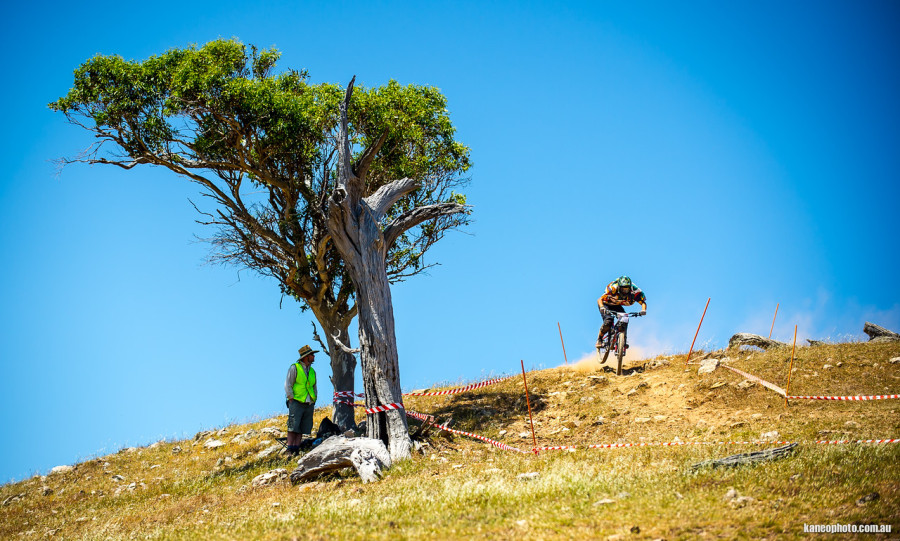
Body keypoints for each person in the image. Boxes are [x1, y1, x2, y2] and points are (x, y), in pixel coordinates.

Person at [596, 276, 647, 354]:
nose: (625, 291)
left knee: (625, 319)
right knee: (608, 321)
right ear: (619, 287)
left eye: (627, 289)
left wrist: (643, 310)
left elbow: (642, 302)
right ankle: (599, 339)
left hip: (617, 305)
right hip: (606, 304)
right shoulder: (612, 288)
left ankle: (623, 341)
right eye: (623, 289)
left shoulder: (636, 291)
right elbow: (600, 299)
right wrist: (602, 307)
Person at [284, 345, 318, 456]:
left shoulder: (312, 371)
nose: (314, 356)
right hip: (297, 401)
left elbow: (314, 387)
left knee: (302, 427)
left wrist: (314, 399)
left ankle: (296, 449)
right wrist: (291, 398)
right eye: (312, 354)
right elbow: (288, 383)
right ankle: (290, 448)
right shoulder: (295, 368)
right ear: (306, 357)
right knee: (293, 426)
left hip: (308, 402)